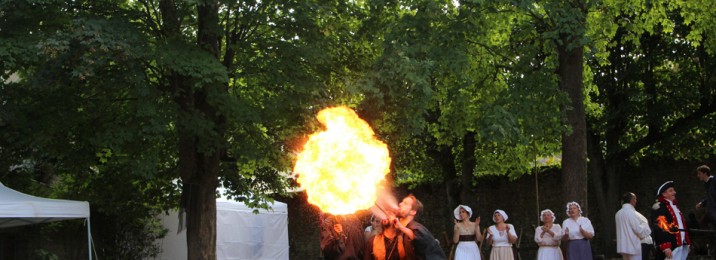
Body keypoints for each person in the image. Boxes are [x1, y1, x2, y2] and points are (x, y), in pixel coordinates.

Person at [394, 194, 447, 260]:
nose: (400, 204)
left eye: (405, 203)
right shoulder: (404, 231)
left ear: (413, 212)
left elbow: (417, 238)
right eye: (402, 202)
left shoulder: (418, 228)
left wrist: (401, 227)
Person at [651, 181, 691, 260]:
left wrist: (687, 241)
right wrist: (665, 246)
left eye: (674, 190)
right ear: (664, 194)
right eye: (671, 190)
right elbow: (660, 228)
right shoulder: (659, 207)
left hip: (680, 245)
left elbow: (681, 225)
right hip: (671, 246)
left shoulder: (674, 206)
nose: (674, 192)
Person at [615, 192, 652, 260]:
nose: (636, 201)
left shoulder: (618, 213)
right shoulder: (631, 212)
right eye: (635, 199)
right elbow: (638, 229)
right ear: (632, 200)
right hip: (633, 246)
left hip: (623, 246)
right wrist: (646, 227)